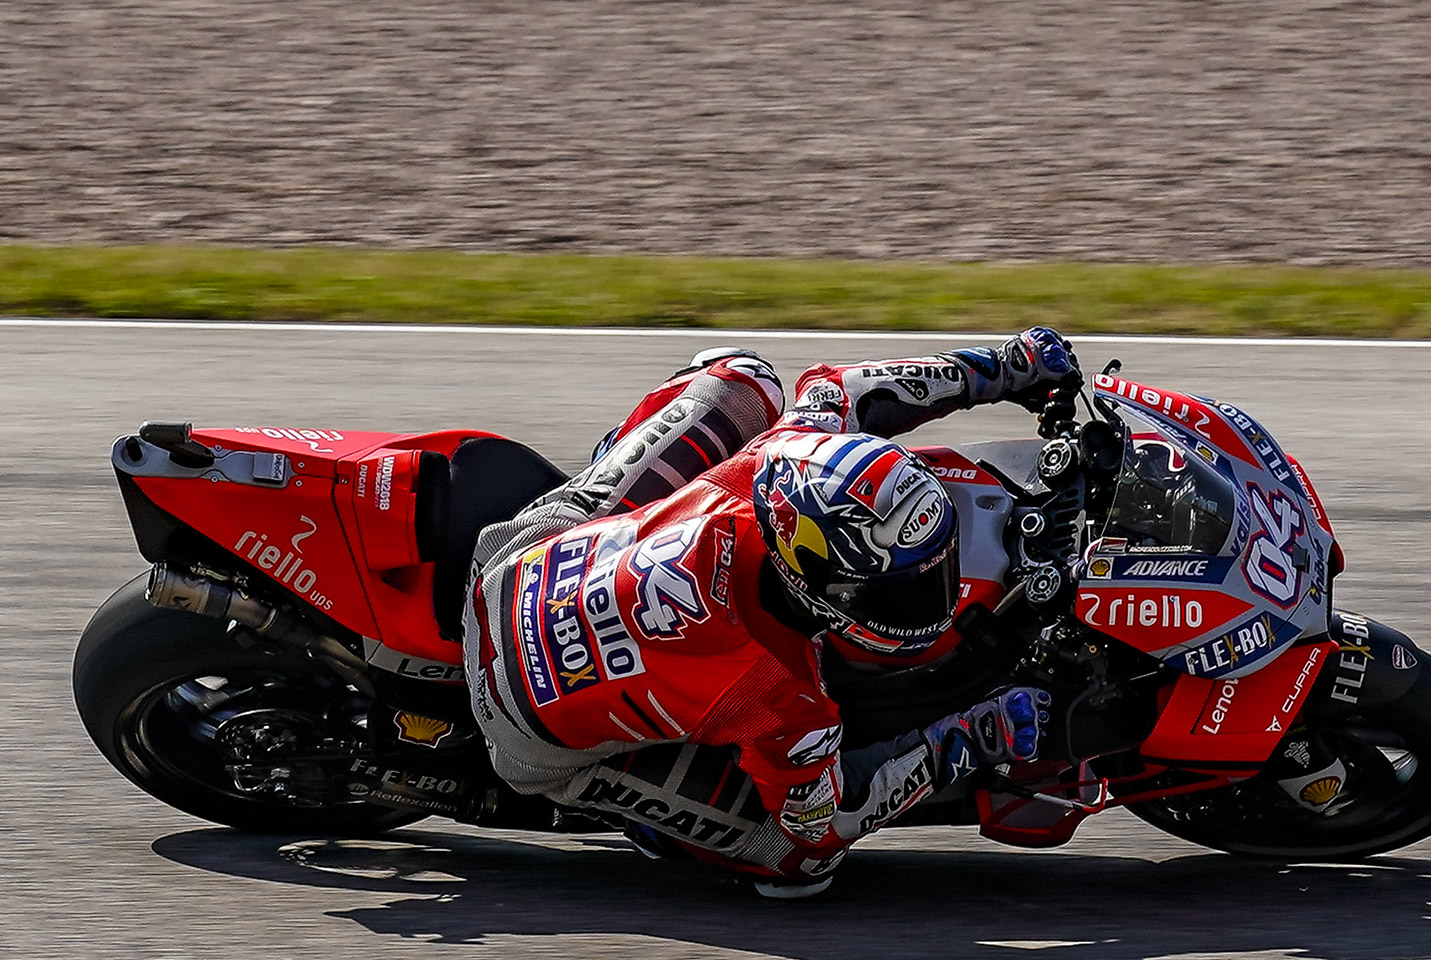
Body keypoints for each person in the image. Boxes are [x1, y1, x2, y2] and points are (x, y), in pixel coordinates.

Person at [462, 328, 1079, 897]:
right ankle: (648, 818)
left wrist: (998, 369)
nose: (928, 600)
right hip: (525, 737)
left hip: (517, 557)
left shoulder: (784, 457)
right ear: (818, 585)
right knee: (798, 865)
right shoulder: (781, 696)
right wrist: (970, 736)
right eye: (899, 590)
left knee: (743, 378)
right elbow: (821, 822)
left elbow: (836, 389)